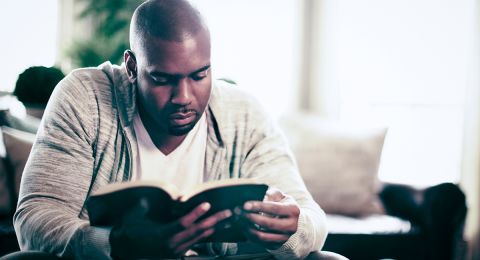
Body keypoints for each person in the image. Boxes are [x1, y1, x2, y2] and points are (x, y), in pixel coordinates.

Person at [13, 0, 328, 259]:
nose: (184, 98)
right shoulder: (86, 97)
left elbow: (311, 219)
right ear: (132, 67)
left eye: (199, 75)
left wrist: (292, 227)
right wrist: (114, 245)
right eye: (163, 79)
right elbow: (36, 217)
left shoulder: (243, 112)